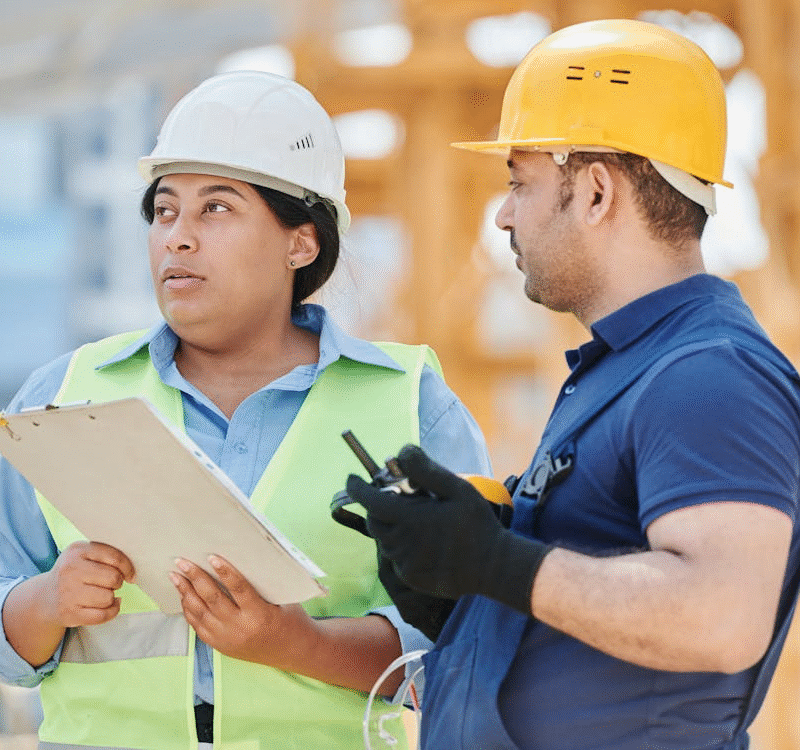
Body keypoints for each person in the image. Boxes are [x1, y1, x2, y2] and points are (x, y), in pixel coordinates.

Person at [0, 70, 491, 749]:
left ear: (301, 242)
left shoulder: (410, 407)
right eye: (164, 211)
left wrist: (298, 644)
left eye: (216, 209)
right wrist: (47, 601)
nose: (177, 238)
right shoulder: (65, 396)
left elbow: (469, 641)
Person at [346, 19, 800, 750]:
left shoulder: (707, 374)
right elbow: (589, 618)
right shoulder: (628, 369)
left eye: (519, 183)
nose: (503, 214)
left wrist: (495, 562)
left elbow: (721, 617)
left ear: (594, 192)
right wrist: (461, 598)